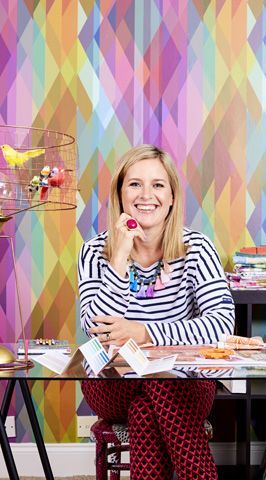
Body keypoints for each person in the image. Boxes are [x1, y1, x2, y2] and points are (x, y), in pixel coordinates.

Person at [78, 145, 235, 480]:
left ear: (173, 197)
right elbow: (96, 331)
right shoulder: (94, 251)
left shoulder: (197, 249)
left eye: (158, 185)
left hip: (183, 383)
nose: (146, 195)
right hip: (112, 383)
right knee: (157, 385)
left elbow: (222, 326)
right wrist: (118, 258)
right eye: (134, 184)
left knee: (149, 406)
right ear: (120, 194)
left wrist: (143, 332)